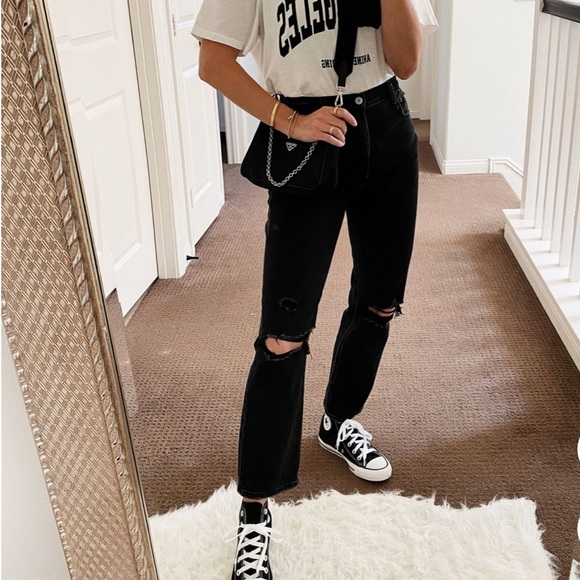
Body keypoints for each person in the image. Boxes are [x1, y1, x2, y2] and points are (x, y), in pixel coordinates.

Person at [192, 1, 438, 577]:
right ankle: (255, 510)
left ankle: (337, 420)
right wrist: (288, 120)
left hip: (386, 130)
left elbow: (405, 63)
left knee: (380, 300)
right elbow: (213, 61)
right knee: (283, 335)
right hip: (304, 135)